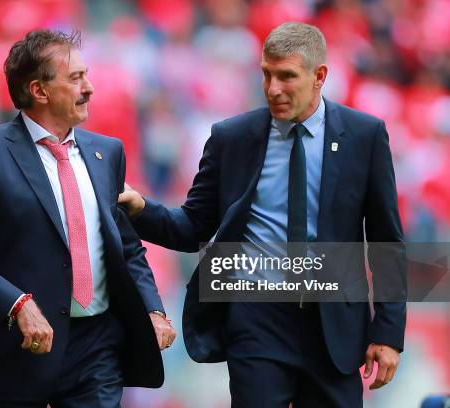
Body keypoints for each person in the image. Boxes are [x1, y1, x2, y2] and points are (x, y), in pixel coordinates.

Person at [119, 22, 406, 407]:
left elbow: (387, 239)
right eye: (267, 75)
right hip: (257, 319)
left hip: (334, 324)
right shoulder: (231, 138)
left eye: (287, 76)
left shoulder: (364, 135)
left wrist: (387, 332)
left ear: (320, 76)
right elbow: (194, 228)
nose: (273, 89)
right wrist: (141, 209)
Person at [0, 29, 176, 407]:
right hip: (14, 351)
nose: (90, 88)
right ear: (39, 91)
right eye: (76, 78)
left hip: (96, 351)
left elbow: (126, 247)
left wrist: (153, 308)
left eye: (86, 75)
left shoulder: (107, 152)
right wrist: (18, 305)